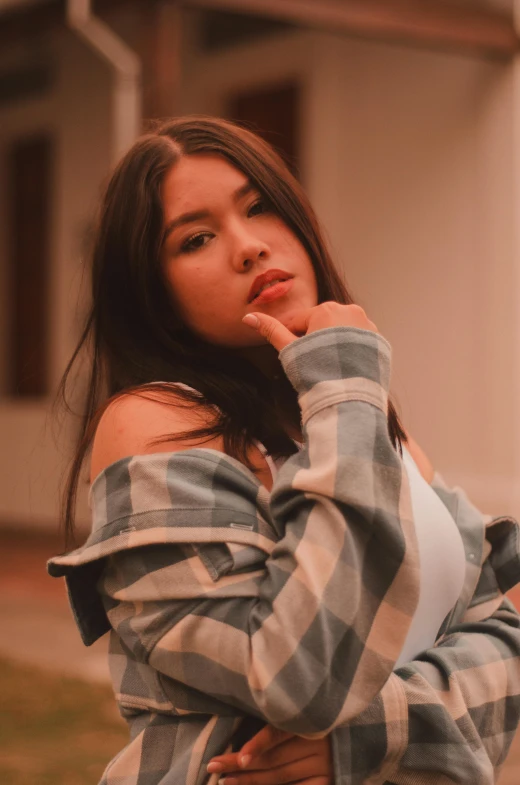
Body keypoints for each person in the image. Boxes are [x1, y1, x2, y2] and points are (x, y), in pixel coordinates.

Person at [48, 116, 520, 785]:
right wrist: (346, 385)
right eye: (197, 238)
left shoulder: (353, 417)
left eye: (259, 206)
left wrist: (374, 732)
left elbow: (504, 635)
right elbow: (297, 676)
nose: (248, 247)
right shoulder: (155, 423)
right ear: (154, 292)